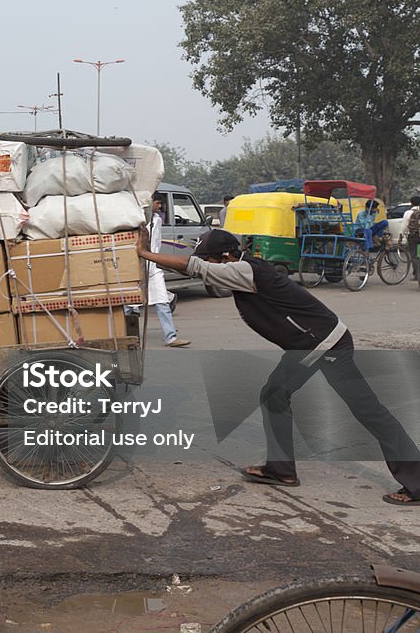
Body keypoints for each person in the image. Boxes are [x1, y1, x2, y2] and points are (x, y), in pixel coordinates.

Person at [136, 227, 420, 505]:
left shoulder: (246, 270)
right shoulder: (244, 271)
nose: (211, 269)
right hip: (310, 344)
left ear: (225, 257)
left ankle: (417, 483)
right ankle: (281, 470)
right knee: (274, 395)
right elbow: (196, 266)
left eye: (211, 262)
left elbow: (193, 267)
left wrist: (146, 253)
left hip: (324, 344)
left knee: (368, 411)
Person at [148, 192, 189, 347]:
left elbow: (156, 244)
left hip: (152, 266)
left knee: (162, 301)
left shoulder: (157, 220)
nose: (159, 206)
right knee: (129, 306)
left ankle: (170, 337)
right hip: (138, 267)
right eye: (157, 203)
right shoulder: (136, 220)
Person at [404, 196, 420, 281]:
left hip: (413, 236)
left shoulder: (408, 213)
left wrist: (403, 236)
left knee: (414, 256)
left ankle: (416, 275)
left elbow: (404, 227)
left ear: (411, 203)